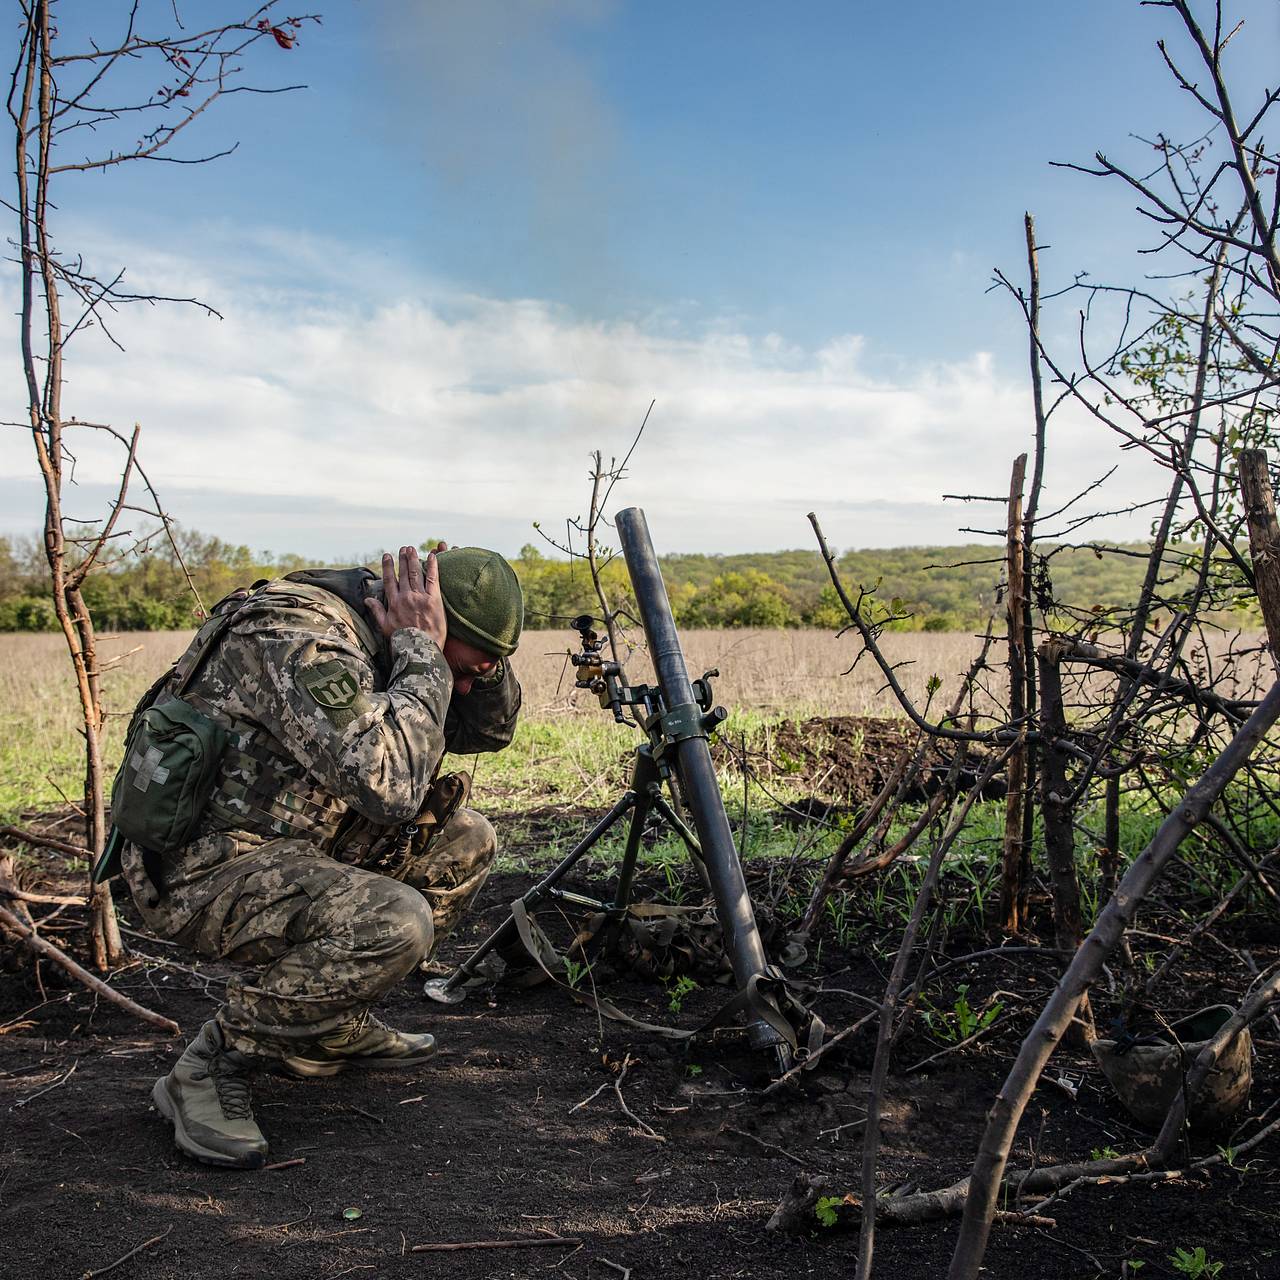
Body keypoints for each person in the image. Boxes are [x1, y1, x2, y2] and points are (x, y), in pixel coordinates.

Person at [119, 543, 523, 1169]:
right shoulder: (299, 636)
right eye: (459, 668)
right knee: (393, 921)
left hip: (293, 842)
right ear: (415, 622)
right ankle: (210, 1064)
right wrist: (420, 650)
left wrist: (473, 668)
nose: (462, 685)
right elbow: (391, 785)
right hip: (204, 866)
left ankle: (326, 1019)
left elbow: (488, 733)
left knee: (464, 840)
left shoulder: (395, 638)